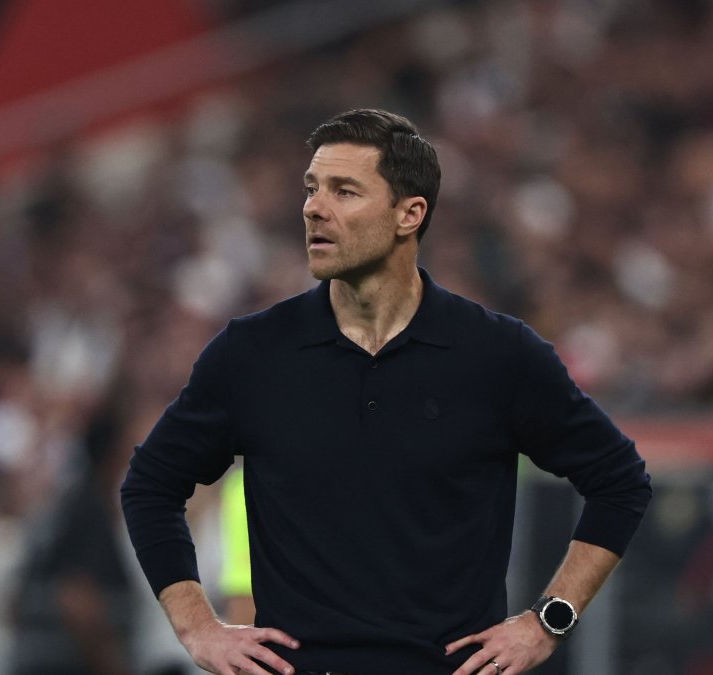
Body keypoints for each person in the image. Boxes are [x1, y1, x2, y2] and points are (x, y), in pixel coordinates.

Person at [120, 109, 652, 675]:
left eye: (344, 191)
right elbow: (151, 486)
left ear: (410, 213)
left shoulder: (498, 355)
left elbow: (619, 482)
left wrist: (548, 621)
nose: (314, 208)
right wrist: (198, 627)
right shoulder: (253, 352)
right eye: (311, 189)